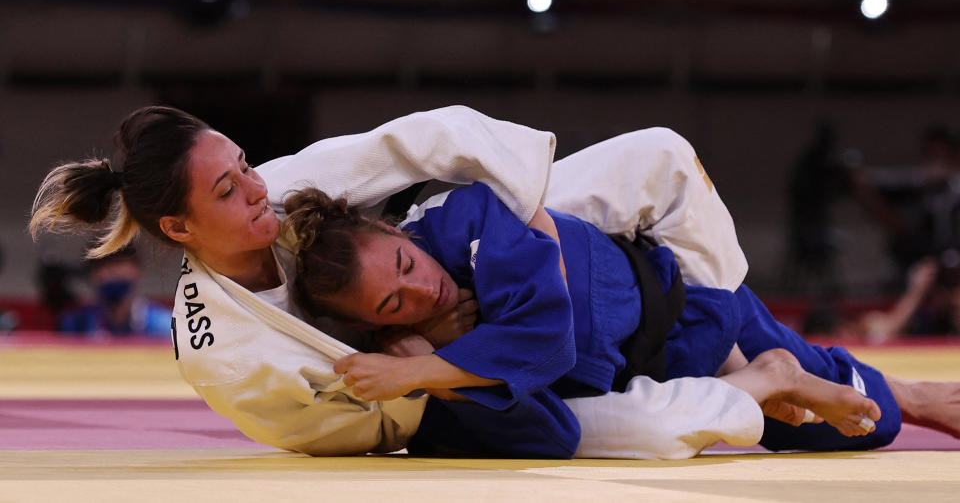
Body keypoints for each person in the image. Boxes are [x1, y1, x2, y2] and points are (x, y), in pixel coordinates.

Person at [28, 104, 820, 458]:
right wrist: (421, 366)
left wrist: (530, 217)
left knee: (660, 155)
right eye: (228, 192)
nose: (257, 188)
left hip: (446, 270)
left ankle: (723, 332)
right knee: (638, 435)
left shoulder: (287, 182)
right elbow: (328, 429)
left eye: (243, 165)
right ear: (178, 230)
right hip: (434, 402)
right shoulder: (223, 351)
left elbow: (426, 138)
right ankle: (740, 383)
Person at [284, 184, 888, 457]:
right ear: (372, 326)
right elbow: (554, 437)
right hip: (655, 368)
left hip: (675, 299)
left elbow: (547, 332)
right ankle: (764, 379)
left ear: (395, 230)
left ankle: (777, 375)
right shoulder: (404, 346)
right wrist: (435, 371)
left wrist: (436, 363)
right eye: (394, 304)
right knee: (829, 430)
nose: (423, 288)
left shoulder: (461, 214)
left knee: (865, 420)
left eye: (405, 263)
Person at [58, 245, 171, 336]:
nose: (112, 271)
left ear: (137, 269)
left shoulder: (165, 325)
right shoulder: (76, 324)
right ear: (92, 275)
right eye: (102, 265)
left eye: (118, 263)